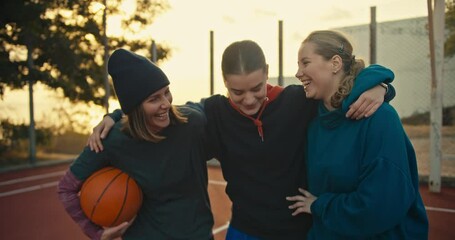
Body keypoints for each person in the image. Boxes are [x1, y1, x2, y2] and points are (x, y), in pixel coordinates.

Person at [88, 40, 394, 239]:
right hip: (245, 231)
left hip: (299, 231)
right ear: (224, 84)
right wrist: (115, 115)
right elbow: (162, 112)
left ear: (268, 74)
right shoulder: (213, 113)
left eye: (256, 88)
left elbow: (340, 87)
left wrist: (379, 85)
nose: (248, 99)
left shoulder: (297, 102)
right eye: (237, 92)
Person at [57, 49, 214, 240]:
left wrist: (113, 115)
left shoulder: (191, 122)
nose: (166, 103)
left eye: (167, 92)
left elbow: (215, 105)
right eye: (154, 99)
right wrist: (96, 233)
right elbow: (67, 188)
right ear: (135, 107)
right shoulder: (111, 139)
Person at [286, 30, 428, 239]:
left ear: (335, 64)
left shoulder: (379, 118)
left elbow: (380, 206)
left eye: (305, 63)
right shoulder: (313, 121)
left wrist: (320, 205)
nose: (298, 73)